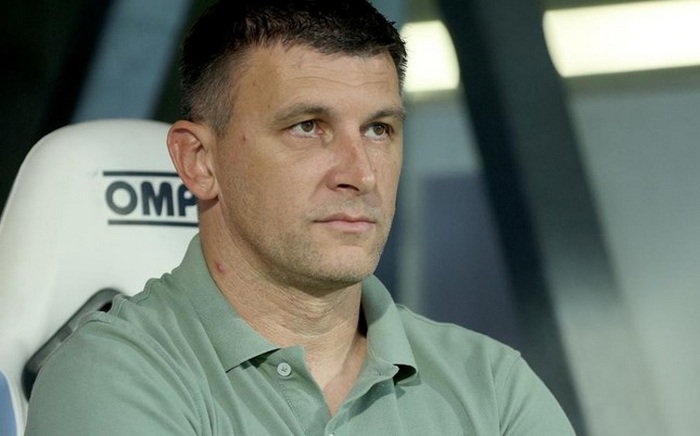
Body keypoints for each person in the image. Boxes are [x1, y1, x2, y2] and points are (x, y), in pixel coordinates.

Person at [25, 0, 575, 434]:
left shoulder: (493, 384)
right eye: (308, 127)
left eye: (379, 129)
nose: (360, 174)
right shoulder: (112, 375)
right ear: (200, 161)